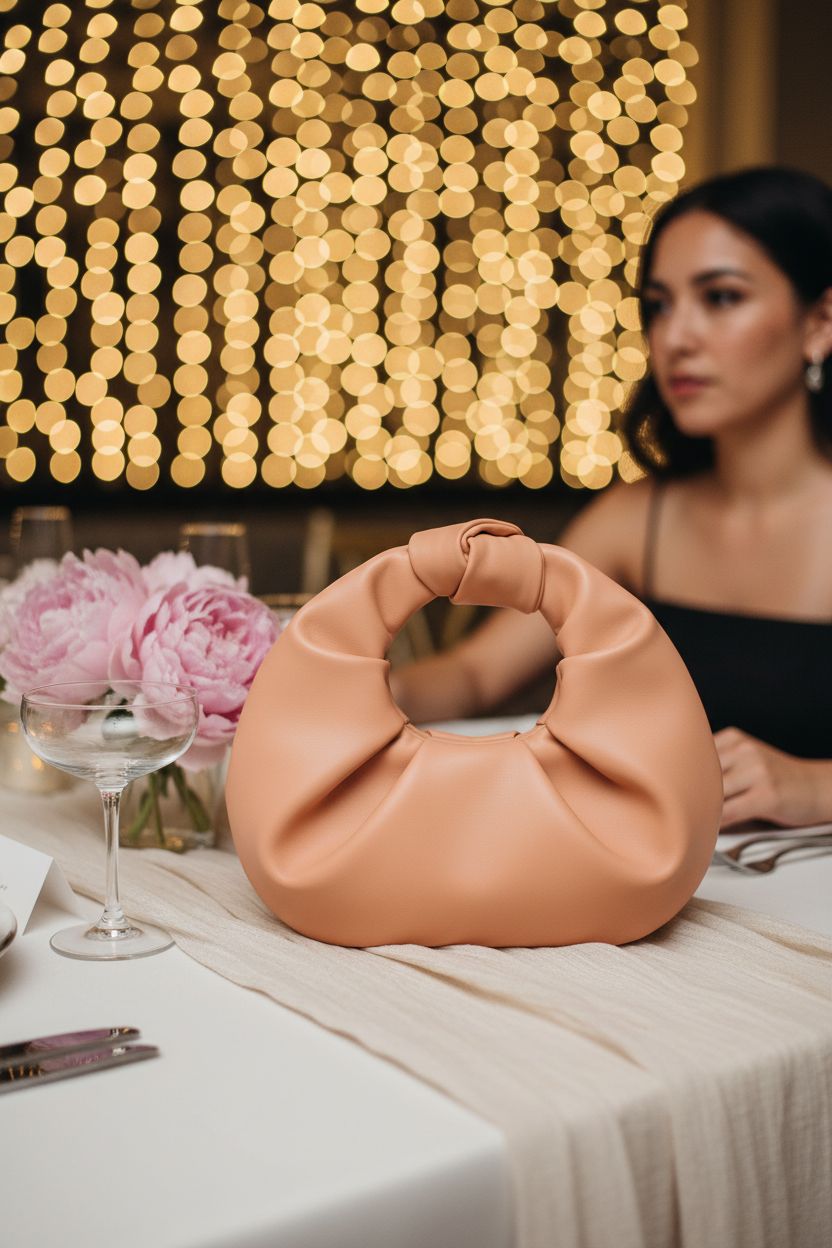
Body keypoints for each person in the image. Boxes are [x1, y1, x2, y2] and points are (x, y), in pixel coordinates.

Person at [391, 167, 832, 830]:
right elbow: (477, 675)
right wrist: (360, 686)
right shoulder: (636, 519)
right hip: (678, 873)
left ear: (820, 322)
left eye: (721, 297)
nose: (676, 338)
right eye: (660, 305)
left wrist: (815, 787)